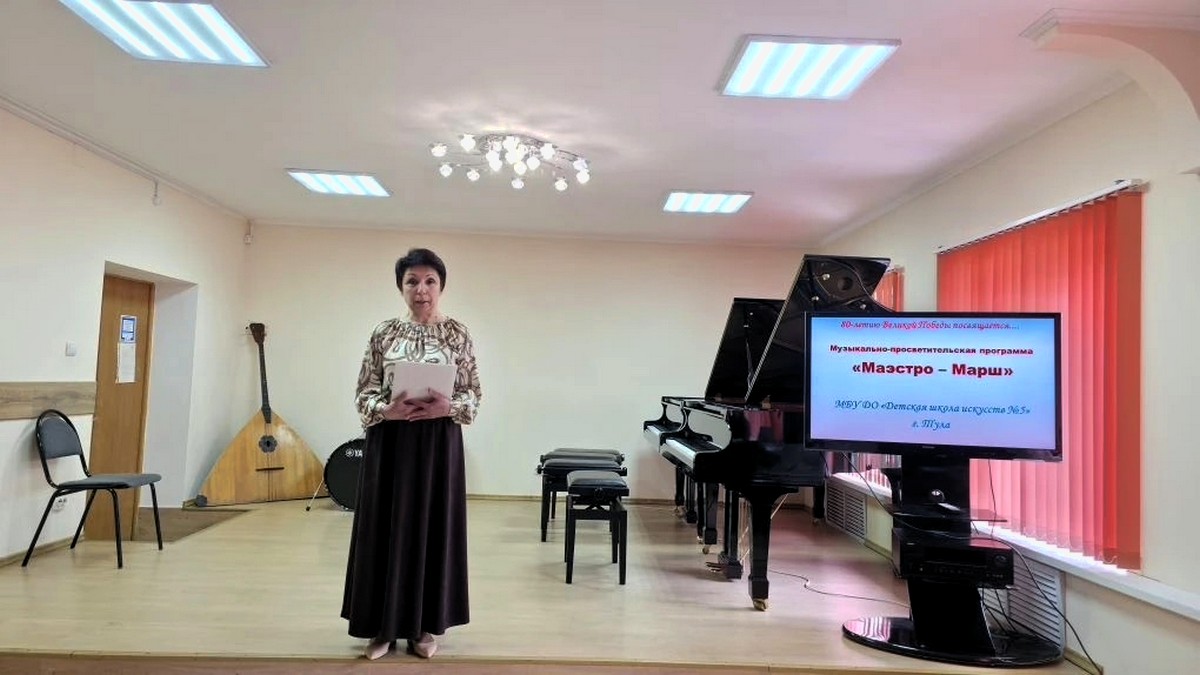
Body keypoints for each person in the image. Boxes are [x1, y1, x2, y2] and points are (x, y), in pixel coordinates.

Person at [341, 247, 482, 660]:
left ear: (441, 286)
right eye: (412, 282)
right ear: (401, 287)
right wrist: (385, 410)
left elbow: (473, 394)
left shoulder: (458, 333)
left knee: (430, 528)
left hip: (438, 444)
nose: (421, 290)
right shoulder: (384, 333)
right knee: (383, 528)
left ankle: (423, 627)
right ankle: (381, 628)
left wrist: (448, 407)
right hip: (390, 442)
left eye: (429, 281)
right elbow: (364, 390)